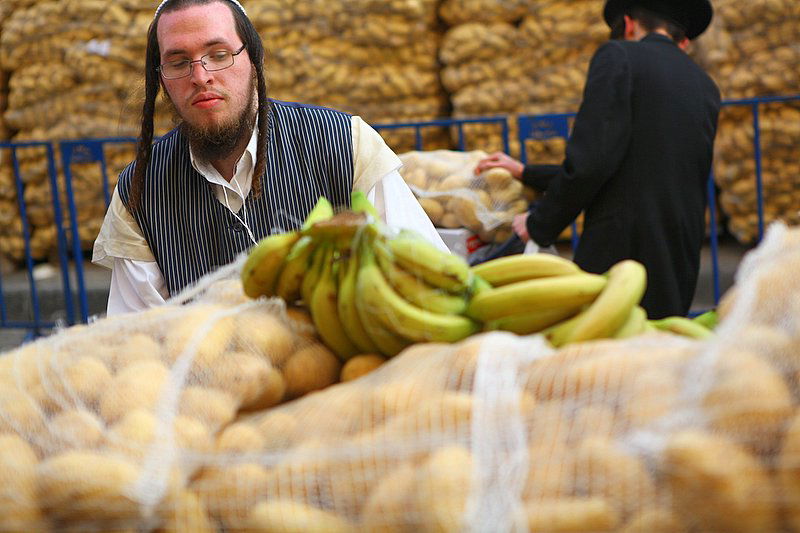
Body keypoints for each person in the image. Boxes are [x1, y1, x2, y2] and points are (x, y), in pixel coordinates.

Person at [93, 0, 446, 315]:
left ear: (255, 59)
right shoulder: (140, 190)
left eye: (218, 55)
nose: (200, 77)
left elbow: (424, 280)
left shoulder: (343, 144)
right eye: (178, 62)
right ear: (161, 81)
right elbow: (138, 334)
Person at [475, 0, 720, 319]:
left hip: (622, 253)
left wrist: (539, 223)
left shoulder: (619, 56)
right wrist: (525, 171)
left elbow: (593, 160)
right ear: (683, 41)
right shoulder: (706, 86)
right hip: (679, 255)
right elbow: (640, 166)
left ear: (629, 25)